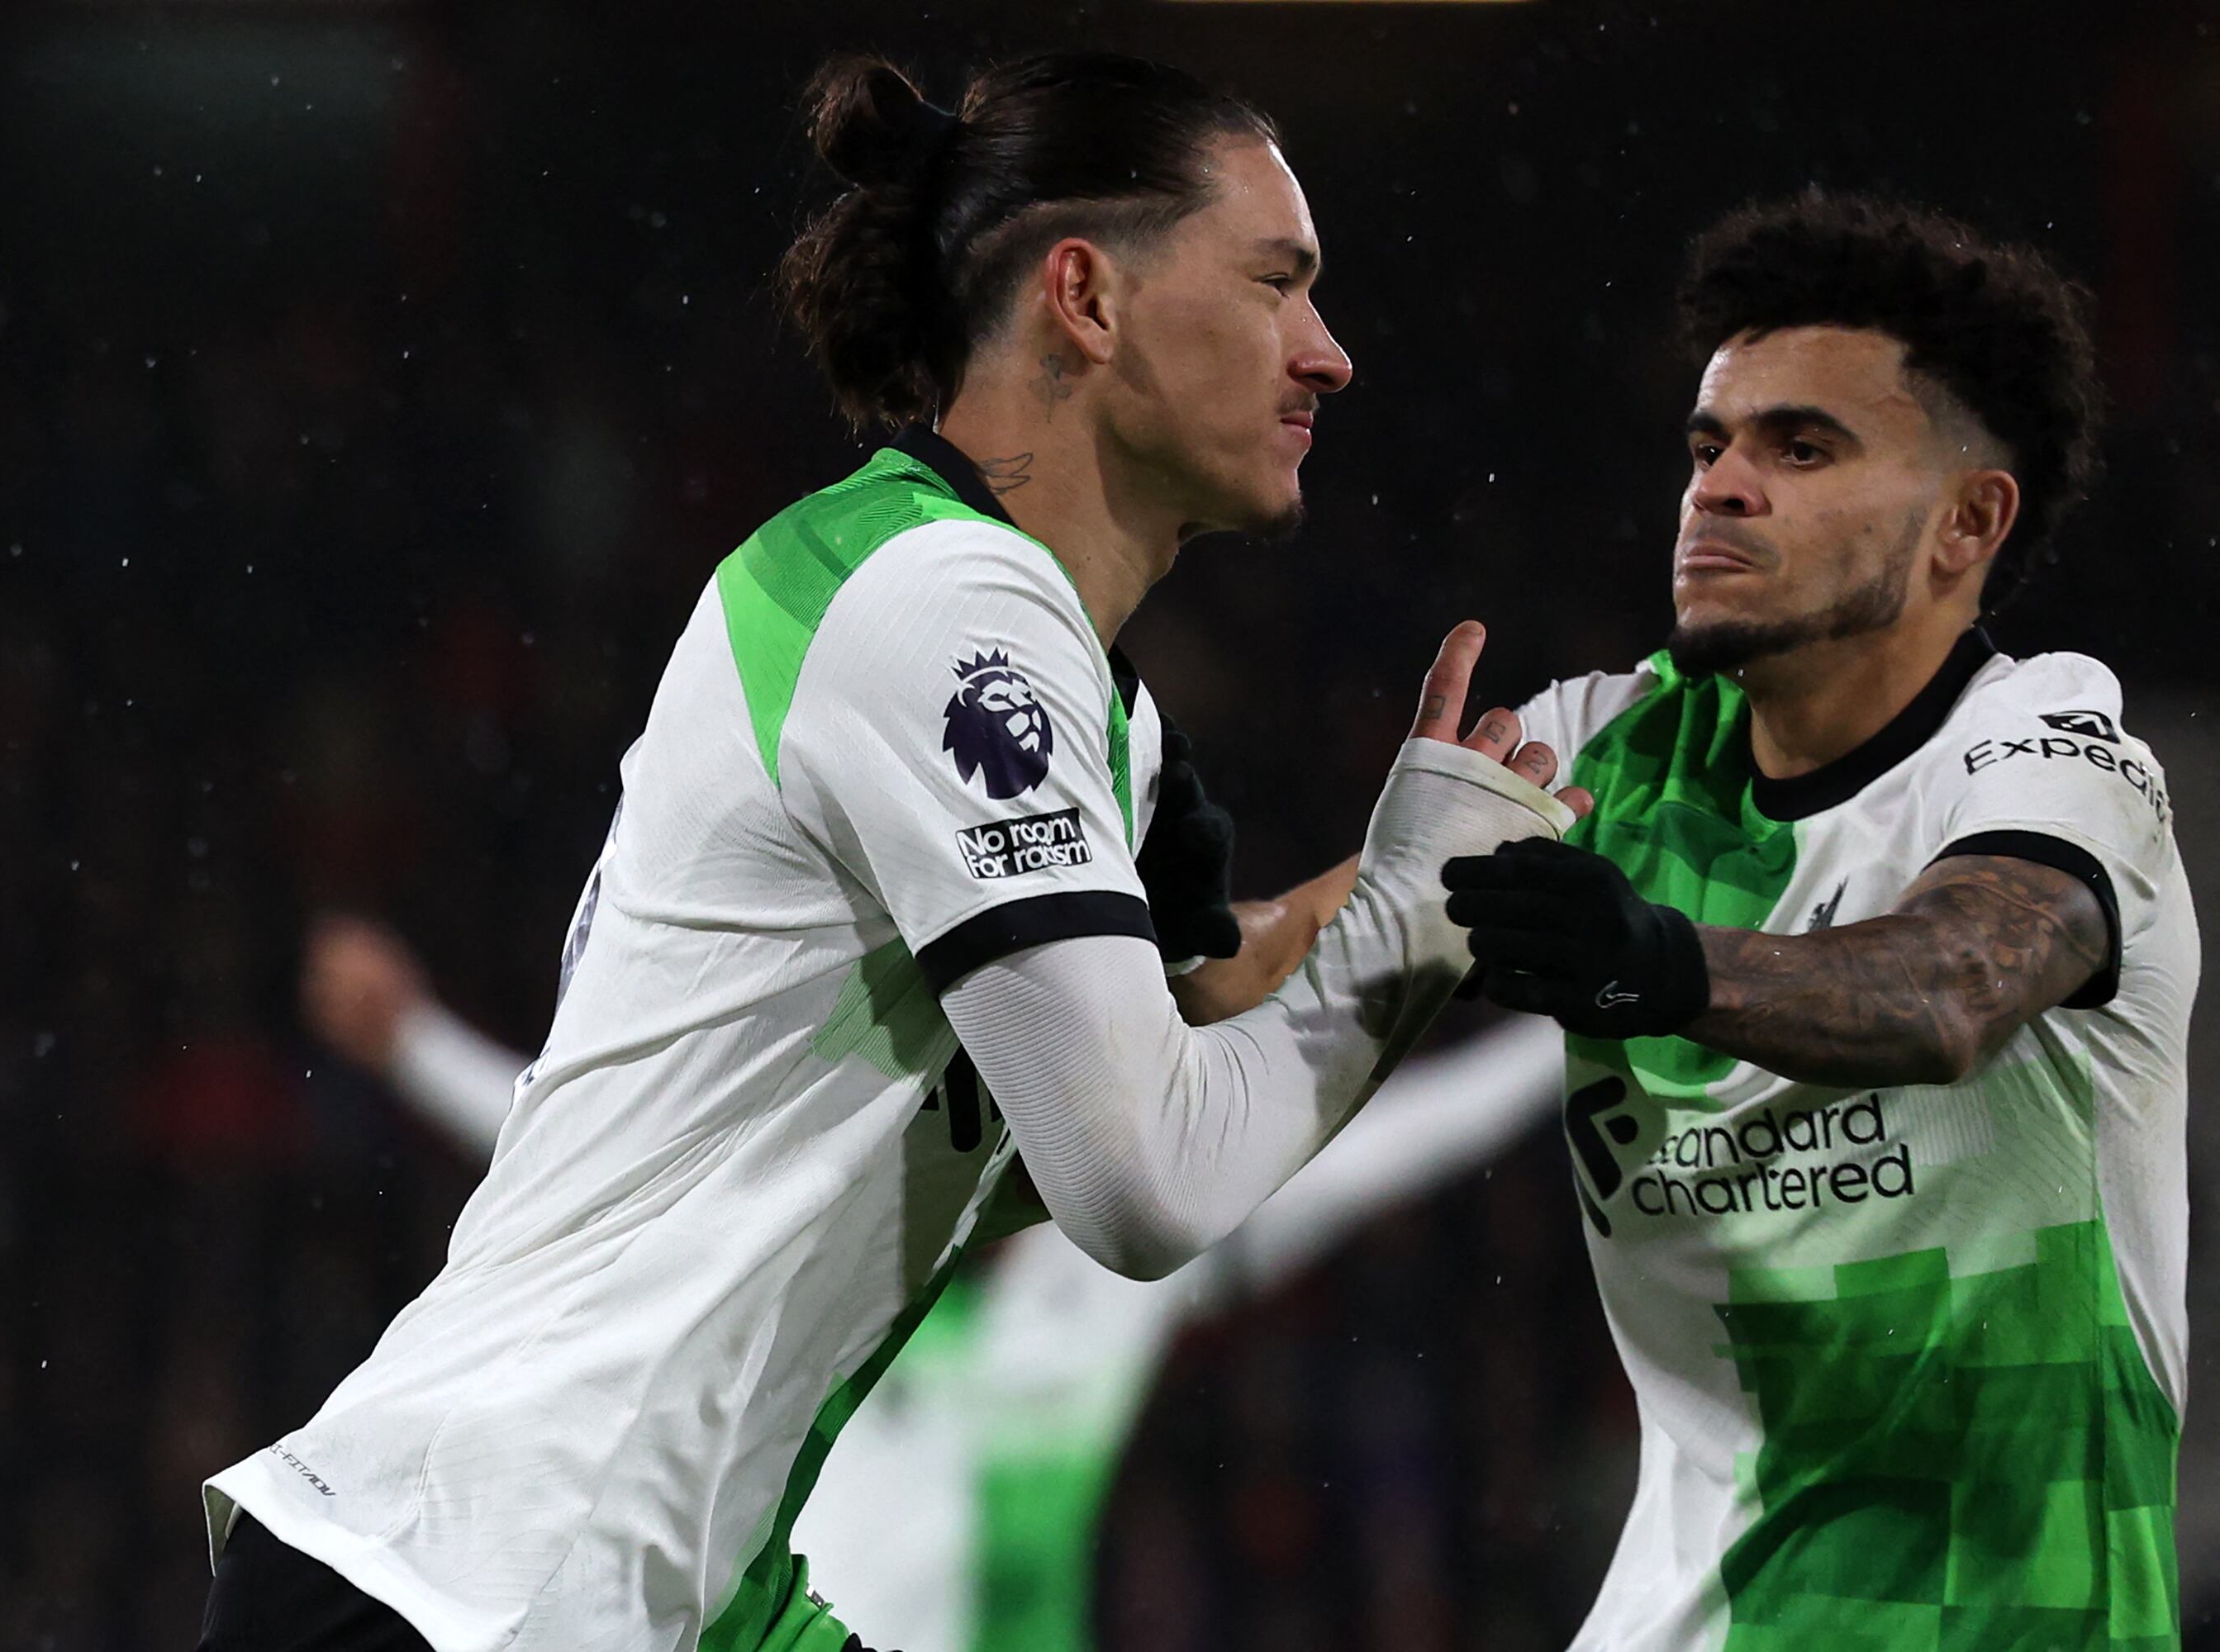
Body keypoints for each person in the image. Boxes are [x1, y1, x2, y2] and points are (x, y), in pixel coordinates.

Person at [199, 50, 1581, 1652]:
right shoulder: (933, 606)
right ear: (1086, 297)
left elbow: (1220, 987)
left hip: (662, 1587)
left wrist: (1490, 858)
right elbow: (1144, 1180)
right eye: (1278, 282)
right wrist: (1415, 922)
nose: (1328, 352)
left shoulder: (1087, 710)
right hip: (480, 1582)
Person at [1443, 192, 2197, 1650]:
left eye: (1801, 448)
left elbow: (1953, 984)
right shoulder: (1596, 756)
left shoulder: (2053, 750)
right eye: (1708, 446)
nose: (1721, 487)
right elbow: (1296, 979)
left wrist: (1656, 966)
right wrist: (1139, 890)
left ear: (1968, 522)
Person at [297, 916, 1565, 1652]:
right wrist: (413, 1044)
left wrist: (1569, 1042)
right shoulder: (828, 1234)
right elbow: (600, 1162)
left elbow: (1373, 1153)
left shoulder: (1112, 1266)